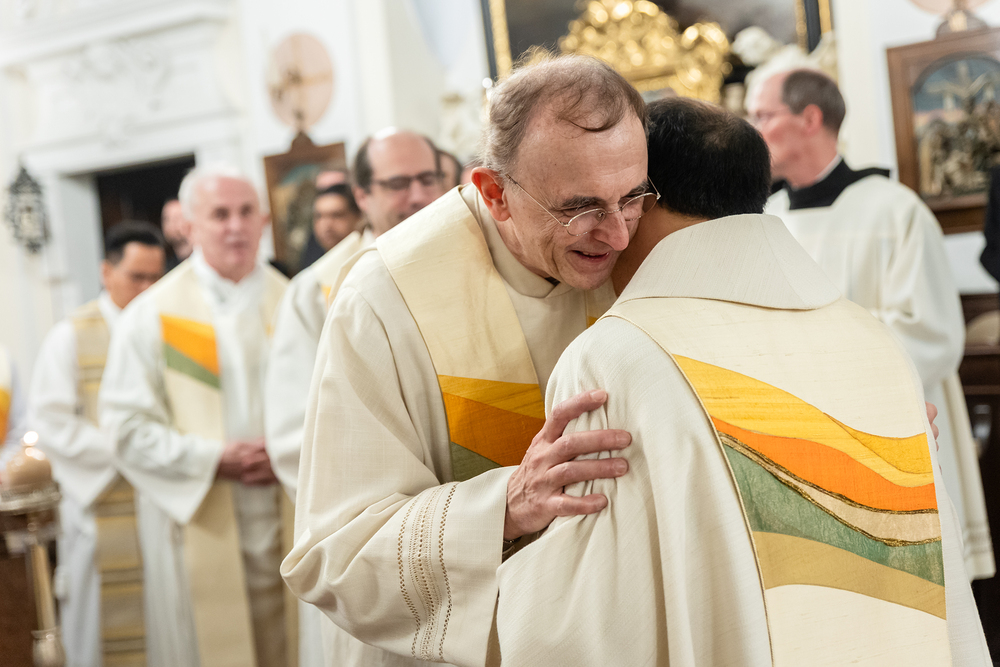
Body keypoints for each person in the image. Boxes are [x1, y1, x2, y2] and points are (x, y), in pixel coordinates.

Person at [494, 97, 991, 666]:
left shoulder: (616, 356)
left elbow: (587, 610)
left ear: (640, 197)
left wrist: (483, 545)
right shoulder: (873, 341)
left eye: (618, 199)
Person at [281, 55, 648, 666]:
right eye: (578, 207)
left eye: (632, 197)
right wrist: (505, 505)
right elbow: (337, 553)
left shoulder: (643, 252)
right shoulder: (386, 297)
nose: (617, 235)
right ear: (495, 193)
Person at [750, 68, 994, 580]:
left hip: (893, 433)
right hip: (798, 439)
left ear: (809, 119)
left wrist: (819, 361)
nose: (753, 130)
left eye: (763, 115)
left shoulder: (894, 210)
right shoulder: (765, 220)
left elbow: (930, 333)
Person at [100, 166, 294, 667]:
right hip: (203, 513)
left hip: (291, 512)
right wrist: (214, 458)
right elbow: (125, 429)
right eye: (219, 214)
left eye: (246, 212)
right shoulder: (152, 314)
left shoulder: (297, 303)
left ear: (264, 219)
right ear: (188, 226)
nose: (236, 226)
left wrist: (291, 452)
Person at [265, 129, 445, 666]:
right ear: (362, 195)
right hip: (375, 541)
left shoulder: (475, 263)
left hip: (476, 521)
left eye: (428, 178)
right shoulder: (318, 288)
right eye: (398, 183)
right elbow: (294, 433)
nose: (418, 195)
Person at [28, 221, 166, 667]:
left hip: (162, 499)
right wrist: (131, 448)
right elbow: (51, 422)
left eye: (156, 278)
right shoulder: (71, 335)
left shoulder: (166, 330)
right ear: (107, 272)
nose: (148, 290)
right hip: (101, 503)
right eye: (137, 277)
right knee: (101, 631)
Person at [298, 183, 364, 269]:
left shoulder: (369, 257)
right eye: (319, 216)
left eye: (336, 215)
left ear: (358, 217)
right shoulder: (312, 262)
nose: (326, 225)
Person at [161, 198, 191, 271]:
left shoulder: (202, 259)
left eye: (176, 218)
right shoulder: (163, 264)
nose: (170, 224)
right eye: (166, 219)